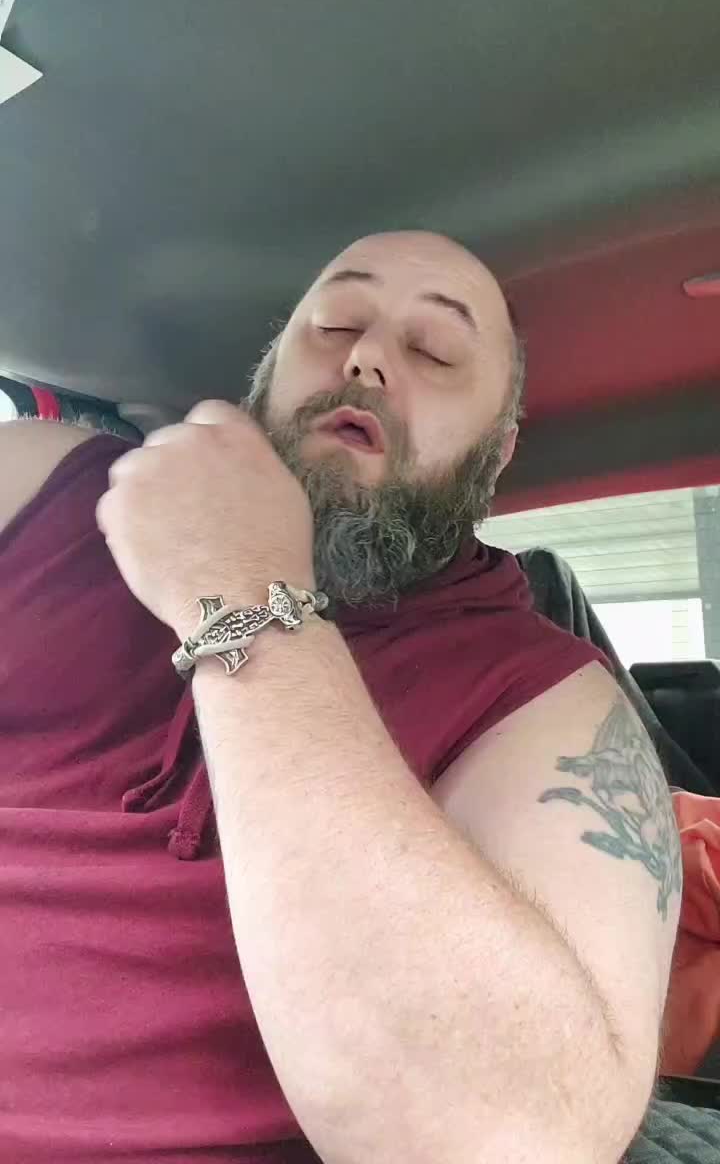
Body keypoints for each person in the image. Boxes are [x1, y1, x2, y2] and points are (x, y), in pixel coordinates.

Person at [0, 231, 680, 1164]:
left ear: (498, 451)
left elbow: (513, 1138)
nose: (365, 357)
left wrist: (240, 589)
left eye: (434, 350)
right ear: (265, 377)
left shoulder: (548, 701)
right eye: (331, 325)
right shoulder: (41, 480)